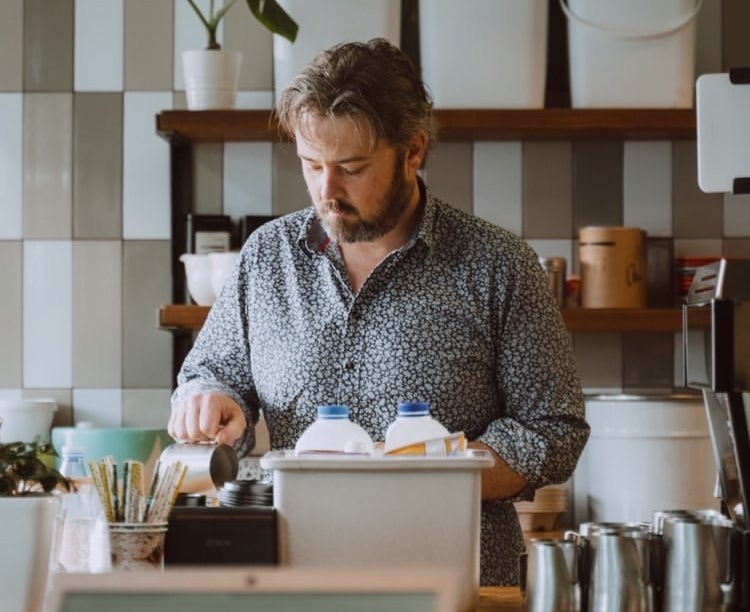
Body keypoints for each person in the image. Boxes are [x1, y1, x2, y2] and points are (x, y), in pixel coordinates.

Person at [169, 38, 590, 585]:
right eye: (311, 164)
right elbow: (212, 372)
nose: (327, 190)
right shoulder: (267, 257)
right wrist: (210, 401)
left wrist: (439, 474)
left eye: (352, 167)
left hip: (455, 580)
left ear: (412, 151)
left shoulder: (498, 264)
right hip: (296, 578)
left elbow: (554, 429)